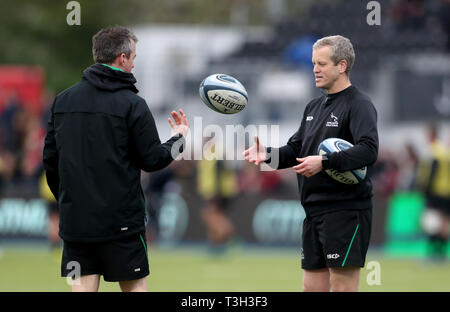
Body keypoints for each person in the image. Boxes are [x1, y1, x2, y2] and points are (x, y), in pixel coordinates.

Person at [43, 26, 189, 292]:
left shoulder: (62, 101)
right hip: (121, 223)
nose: (134, 63)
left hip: (77, 222)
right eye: (133, 57)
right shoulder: (132, 104)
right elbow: (153, 160)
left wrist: (70, 202)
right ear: (122, 58)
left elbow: (51, 163)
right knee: (134, 287)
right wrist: (179, 139)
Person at [244, 35, 378, 292]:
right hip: (314, 210)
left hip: (346, 211)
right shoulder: (313, 106)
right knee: (311, 288)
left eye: (322, 64)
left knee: (342, 287)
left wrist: (325, 162)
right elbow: (297, 150)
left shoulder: (359, 104)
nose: (314, 69)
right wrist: (267, 155)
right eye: (314, 63)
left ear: (342, 66)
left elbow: (369, 150)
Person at [419, 124, 450, 261]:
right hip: (447, 192)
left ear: (431, 134)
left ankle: (433, 253)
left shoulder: (433, 151)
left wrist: (425, 190)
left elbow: (432, 171)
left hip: (435, 192)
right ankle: (442, 253)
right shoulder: (445, 151)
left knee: (432, 222)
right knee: (444, 223)